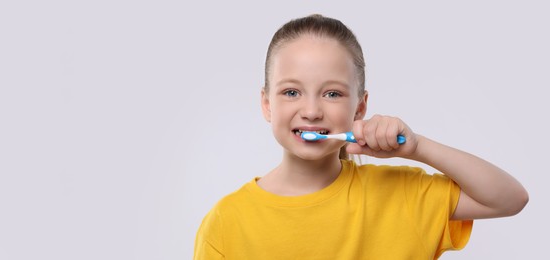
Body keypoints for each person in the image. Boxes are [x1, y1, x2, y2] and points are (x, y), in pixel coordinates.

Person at [193, 14, 528, 259]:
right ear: (267, 104)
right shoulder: (227, 223)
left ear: (360, 107)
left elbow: (510, 199)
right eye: (292, 92)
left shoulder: (403, 195)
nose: (311, 110)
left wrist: (417, 148)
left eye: (333, 94)